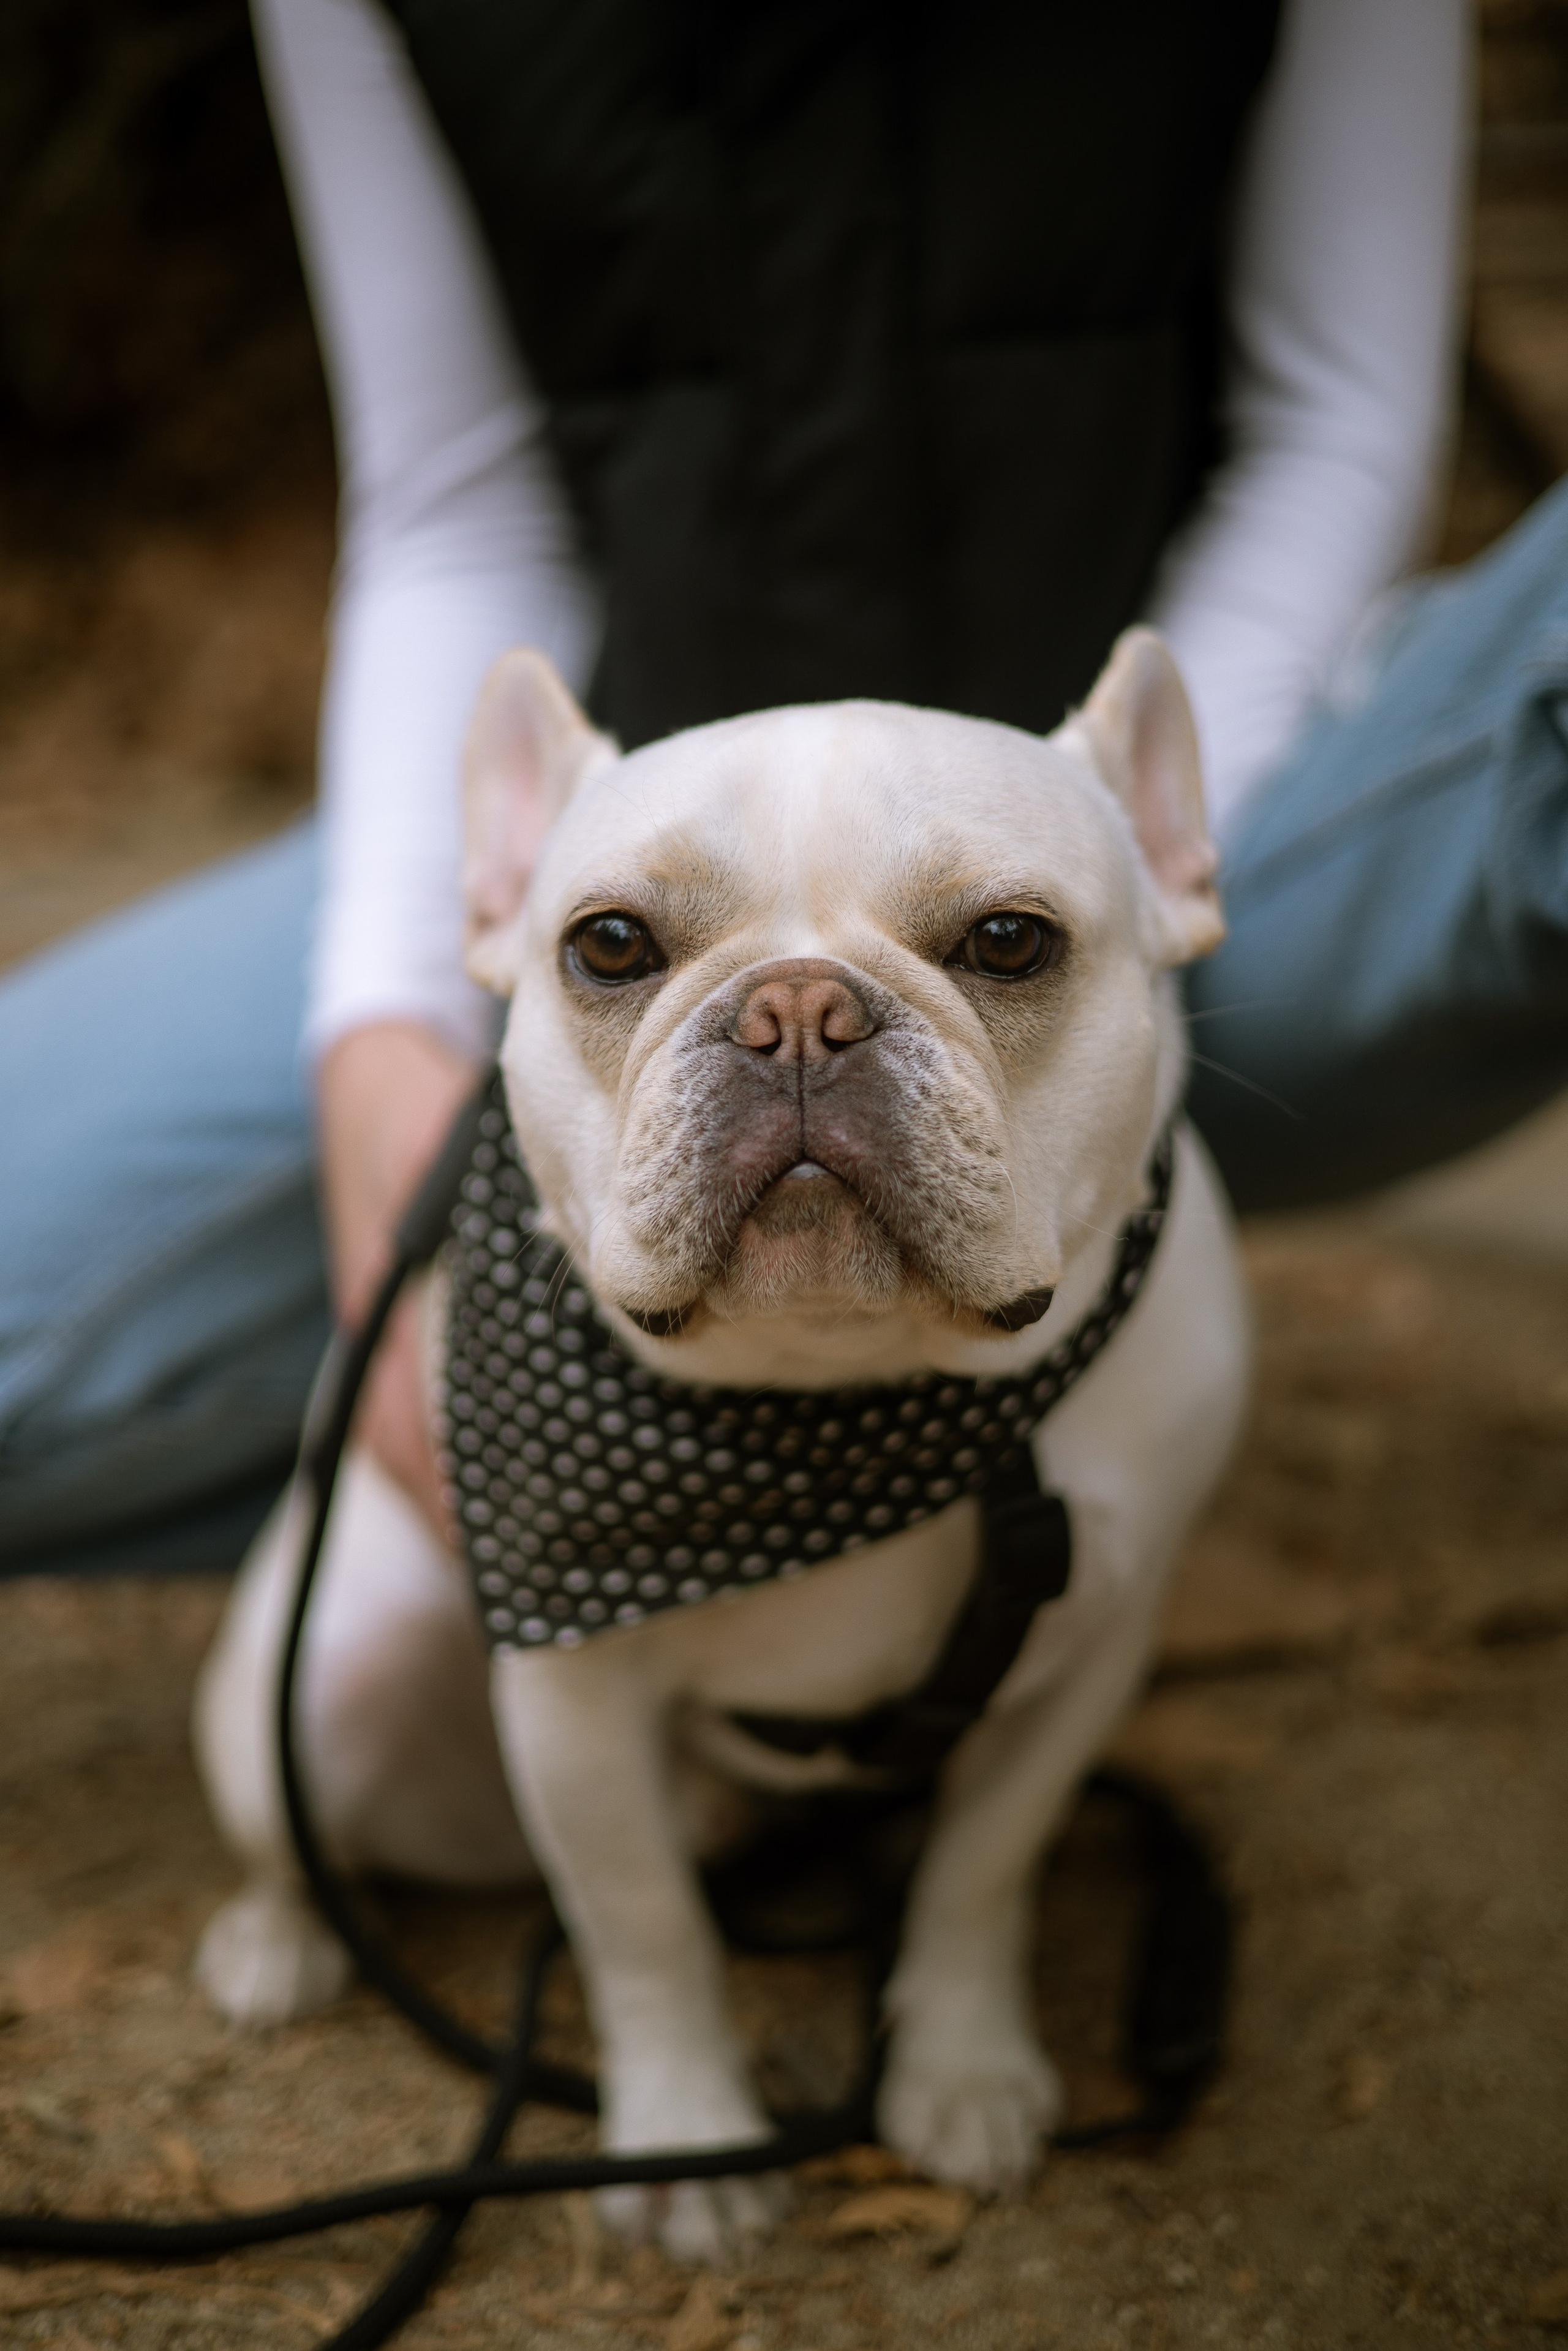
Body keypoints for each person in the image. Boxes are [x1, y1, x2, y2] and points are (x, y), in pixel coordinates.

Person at [4, 0, 1561, 1583]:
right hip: (644, 845)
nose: (807, 1036)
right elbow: (459, 511)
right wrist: (387, 1035)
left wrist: (1107, 834)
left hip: (1230, 803)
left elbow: (1335, 427)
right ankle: (744, 1459)